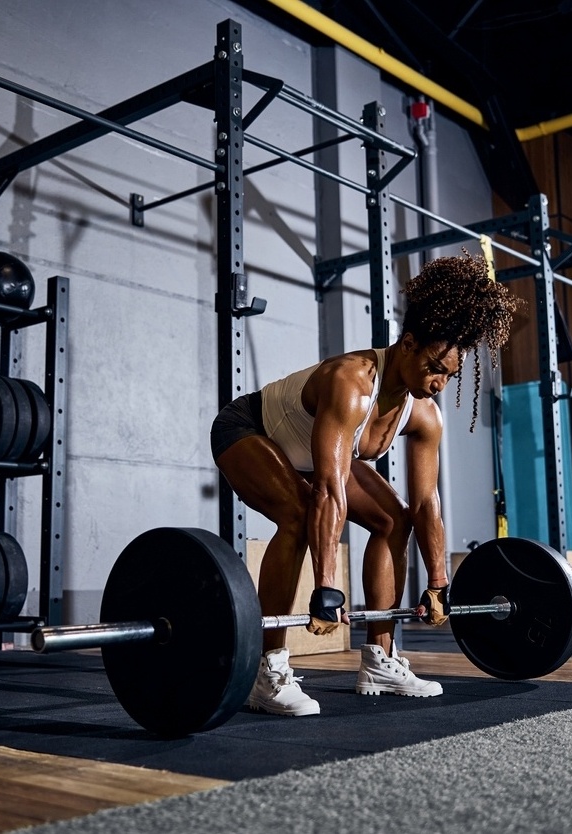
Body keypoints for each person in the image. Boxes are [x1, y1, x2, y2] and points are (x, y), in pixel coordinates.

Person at [210, 252, 519, 716]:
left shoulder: (424, 415)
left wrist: (439, 583)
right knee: (297, 514)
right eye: (435, 367)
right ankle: (265, 670)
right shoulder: (352, 382)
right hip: (249, 429)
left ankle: (380, 658)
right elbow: (330, 490)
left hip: (313, 459)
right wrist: (327, 587)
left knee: (392, 519)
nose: (438, 383)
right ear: (409, 343)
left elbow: (426, 503)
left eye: (449, 376)